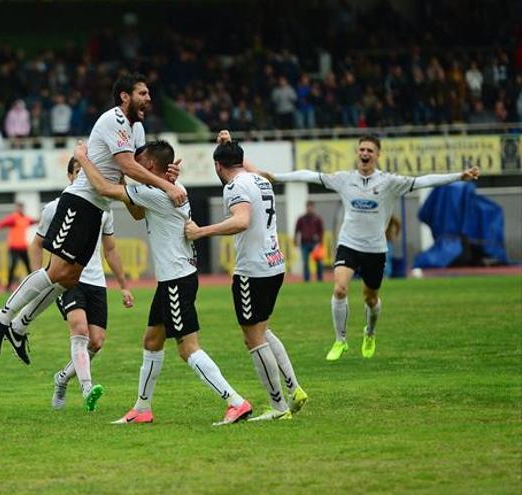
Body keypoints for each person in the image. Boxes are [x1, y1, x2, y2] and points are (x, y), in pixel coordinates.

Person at [0, 73, 186, 363]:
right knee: (55, 272)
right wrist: (166, 186)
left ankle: (19, 326)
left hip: (98, 207)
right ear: (124, 96)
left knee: (67, 277)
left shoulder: (137, 129)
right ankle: (1, 318)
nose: (149, 98)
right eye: (142, 93)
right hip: (79, 201)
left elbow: (145, 165)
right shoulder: (113, 120)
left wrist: (166, 173)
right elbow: (128, 166)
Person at [75, 139, 252, 426]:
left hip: (176, 280)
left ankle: (236, 401)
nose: (133, 165)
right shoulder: (163, 189)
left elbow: (104, 189)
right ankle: (142, 408)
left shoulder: (159, 193)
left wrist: (83, 158)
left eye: (139, 162)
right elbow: (135, 211)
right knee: (152, 340)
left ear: (151, 166)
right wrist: (121, 172)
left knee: (188, 348)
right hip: (173, 278)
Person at [269, 135, 480, 360]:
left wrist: (459, 176)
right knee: (340, 289)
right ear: (357, 153)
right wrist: (276, 177)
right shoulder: (344, 179)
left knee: (370, 298)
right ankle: (340, 341)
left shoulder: (389, 182)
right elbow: (309, 175)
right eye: (362, 149)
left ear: (377, 155)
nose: (365, 154)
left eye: (370, 150)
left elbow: (423, 181)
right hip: (348, 244)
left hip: (375, 249)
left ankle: (369, 332)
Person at [185, 133, 308, 422]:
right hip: (275, 264)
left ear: (218, 166)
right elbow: (244, 166)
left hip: (252, 271)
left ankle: (278, 407)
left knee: (252, 338)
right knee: (262, 330)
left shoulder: (234, 185)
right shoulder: (259, 179)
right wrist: (230, 143)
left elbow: (242, 221)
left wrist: (201, 232)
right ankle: (295, 388)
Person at [2, 157, 134, 412]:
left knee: (96, 341)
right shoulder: (57, 207)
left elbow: (111, 249)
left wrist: (123, 285)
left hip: (96, 282)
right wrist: (39, 280)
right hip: (67, 280)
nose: (83, 177)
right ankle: (87, 388)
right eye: (78, 172)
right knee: (79, 328)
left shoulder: (104, 210)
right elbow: (37, 244)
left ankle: (62, 378)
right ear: (70, 176)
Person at [0, 203, 36, 292]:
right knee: (13, 265)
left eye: (21, 208)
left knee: (28, 267)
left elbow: (32, 221)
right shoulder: (14, 218)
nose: (20, 209)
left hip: (23, 247)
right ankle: (8, 287)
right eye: (18, 208)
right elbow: (4, 222)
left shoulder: (25, 218)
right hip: (14, 247)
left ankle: (34, 285)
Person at [295, 201, 325, 282]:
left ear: (313, 207)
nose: (309, 208)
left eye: (311, 207)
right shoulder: (301, 219)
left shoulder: (317, 218)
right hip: (304, 243)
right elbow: (297, 230)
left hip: (315, 243)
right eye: (308, 207)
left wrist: (321, 242)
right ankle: (307, 280)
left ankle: (320, 279)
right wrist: (295, 241)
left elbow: (321, 231)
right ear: (306, 207)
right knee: (305, 263)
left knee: (319, 262)